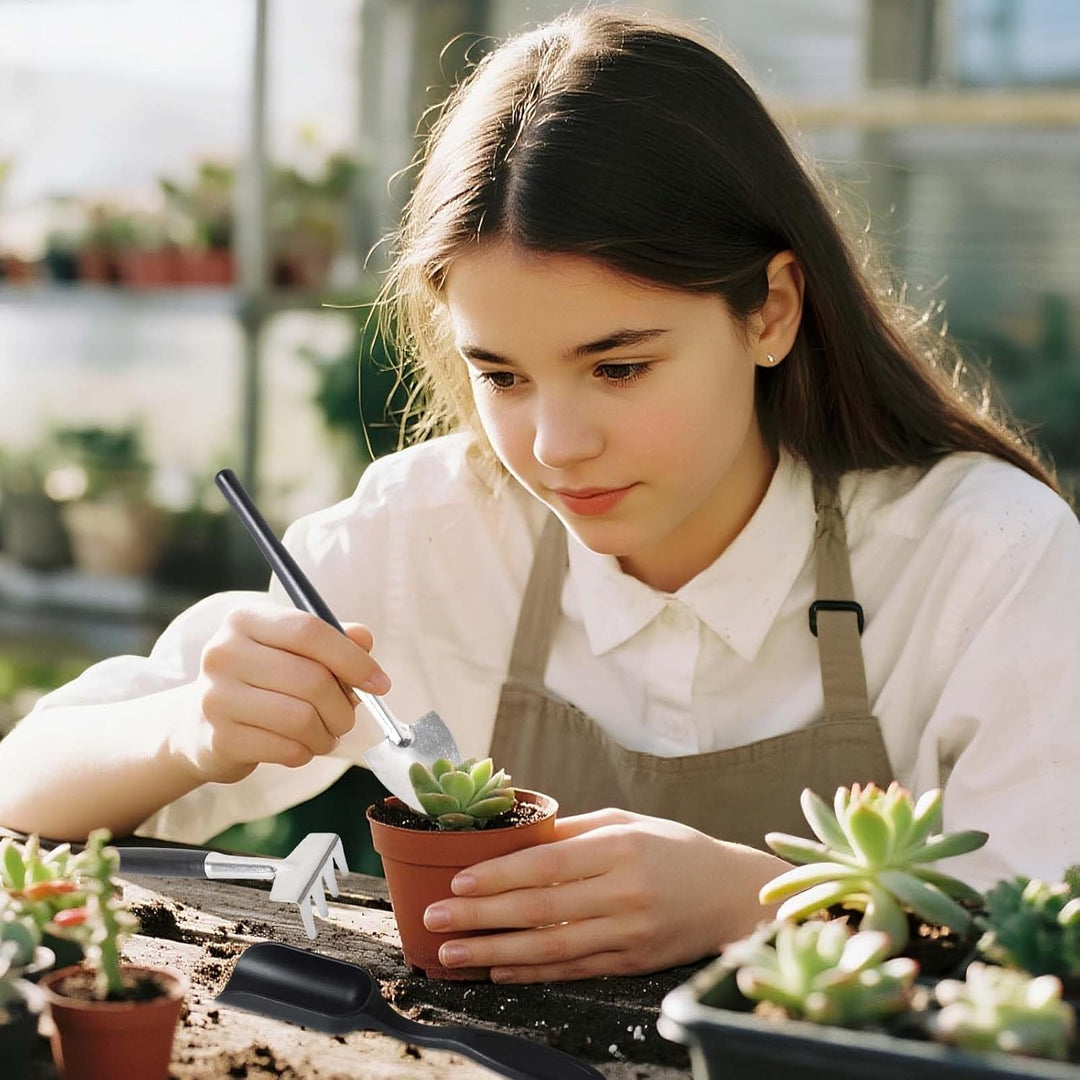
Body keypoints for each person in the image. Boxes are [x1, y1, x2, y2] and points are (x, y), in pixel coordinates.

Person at [1, 8, 1077, 984]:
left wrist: (757, 905)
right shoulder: (430, 534)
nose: (556, 447)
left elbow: (1052, 943)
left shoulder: (987, 558)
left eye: (619, 367)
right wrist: (195, 730)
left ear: (771, 311)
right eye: (501, 375)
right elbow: (23, 787)